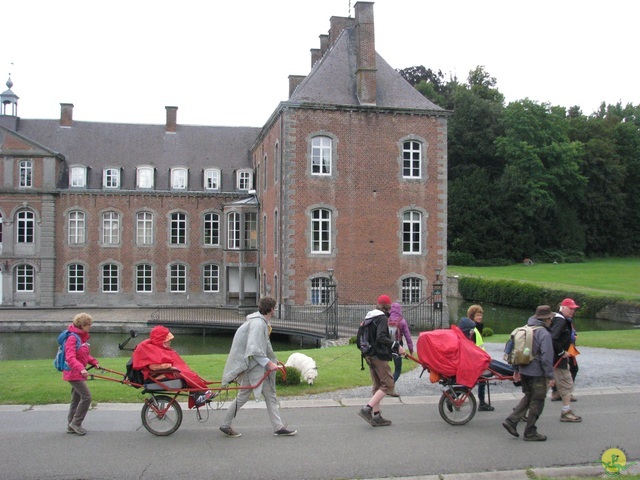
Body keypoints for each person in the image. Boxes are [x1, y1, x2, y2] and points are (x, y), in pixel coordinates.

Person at [219, 296, 296, 437]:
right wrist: (269, 363)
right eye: (274, 308)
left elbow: (259, 348)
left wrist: (271, 361)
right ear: (272, 309)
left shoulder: (258, 322)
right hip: (255, 368)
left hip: (256, 367)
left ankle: (278, 427)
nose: (275, 311)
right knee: (249, 397)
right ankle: (226, 424)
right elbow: (254, 350)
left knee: (269, 396)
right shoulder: (258, 324)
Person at [502, 305, 556, 441]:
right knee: (537, 401)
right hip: (537, 373)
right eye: (550, 318)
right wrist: (550, 375)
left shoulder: (526, 328)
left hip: (524, 370)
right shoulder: (544, 333)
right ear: (547, 319)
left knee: (528, 396)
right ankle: (530, 432)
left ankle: (511, 421)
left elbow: (515, 350)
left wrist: (516, 370)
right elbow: (546, 357)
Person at [132, 325, 213, 407]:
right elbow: (153, 367)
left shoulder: (158, 348)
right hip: (162, 374)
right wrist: (169, 367)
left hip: (168, 372)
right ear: (162, 341)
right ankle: (204, 392)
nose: (170, 342)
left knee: (192, 375)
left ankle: (202, 392)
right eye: (167, 340)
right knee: (189, 375)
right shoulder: (153, 350)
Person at [358, 294, 405, 427]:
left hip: (368, 355)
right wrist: (397, 346)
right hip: (378, 356)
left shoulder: (369, 316)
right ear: (388, 306)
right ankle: (367, 409)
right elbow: (381, 337)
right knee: (388, 384)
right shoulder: (382, 318)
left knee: (377, 385)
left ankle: (377, 416)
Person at [63, 312, 100, 435]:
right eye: (87, 325)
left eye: (90, 324)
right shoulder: (72, 338)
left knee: (76, 399)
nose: (90, 326)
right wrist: (81, 369)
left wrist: (93, 362)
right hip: (73, 373)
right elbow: (70, 357)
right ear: (81, 325)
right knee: (87, 397)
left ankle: (70, 425)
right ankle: (76, 423)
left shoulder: (81, 337)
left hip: (78, 372)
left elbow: (84, 354)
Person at [550, 298, 582, 422]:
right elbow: (553, 339)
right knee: (567, 385)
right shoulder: (560, 321)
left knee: (541, 388)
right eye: (570, 308)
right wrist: (561, 352)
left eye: (574, 309)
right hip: (556, 359)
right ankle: (565, 412)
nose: (573, 311)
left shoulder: (560, 319)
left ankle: (520, 412)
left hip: (554, 358)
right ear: (563, 307)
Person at [458, 305, 494, 411]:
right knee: (476, 380)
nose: (480, 317)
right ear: (472, 316)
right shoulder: (472, 328)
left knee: (478, 381)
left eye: (481, 315)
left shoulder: (475, 327)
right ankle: (481, 403)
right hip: (476, 360)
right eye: (477, 315)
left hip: (479, 358)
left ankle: (480, 402)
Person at [388, 302, 414, 384]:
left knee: (384, 369)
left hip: (387, 346)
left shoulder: (386, 319)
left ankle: (385, 386)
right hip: (397, 347)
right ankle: (389, 386)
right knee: (398, 369)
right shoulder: (402, 321)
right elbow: (408, 337)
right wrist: (411, 350)